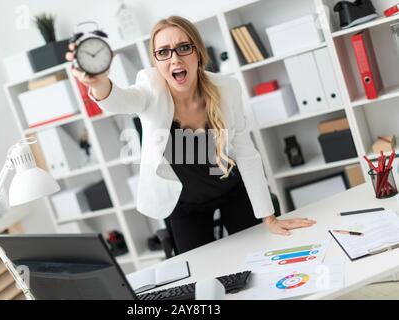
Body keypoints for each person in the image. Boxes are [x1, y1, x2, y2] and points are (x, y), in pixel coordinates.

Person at [66, 16, 316, 254]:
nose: (174, 59)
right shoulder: (150, 88)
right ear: (156, 62)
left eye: (183, 47)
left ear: (198, 53)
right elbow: (121, 100)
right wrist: (98, 82)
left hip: (232, 189)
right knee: (200, 276)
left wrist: (269, 218)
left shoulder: (227, 88)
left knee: (261, 252)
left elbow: (246, 153)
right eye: (163, 52)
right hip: (185, 204)